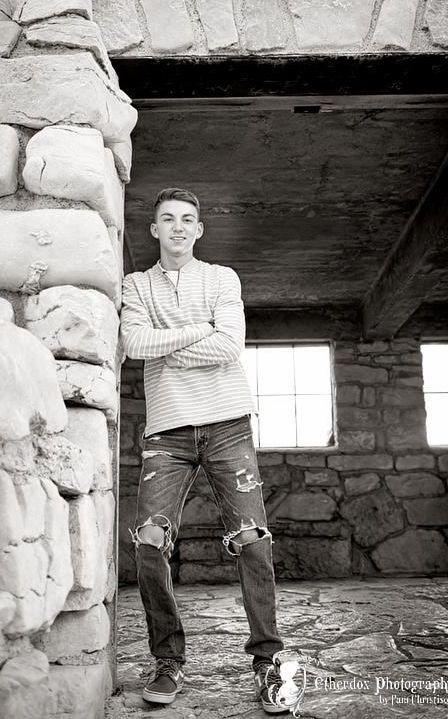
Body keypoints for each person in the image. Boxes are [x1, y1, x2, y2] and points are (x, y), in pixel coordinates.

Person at [120, 187, 286, 714]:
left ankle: (267, 664)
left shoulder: (222, 278)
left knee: (254, 542)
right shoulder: (134, 283)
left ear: (198, 229)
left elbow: (230, 345)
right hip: (167, 430)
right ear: (153, 229)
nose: (177, 227)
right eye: (167, 219)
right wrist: (198, 333)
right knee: (149, 542)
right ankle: (168, 660)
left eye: (187, 220)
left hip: (228, 423)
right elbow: (134, 345)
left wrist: (170, 342)